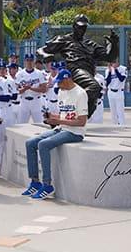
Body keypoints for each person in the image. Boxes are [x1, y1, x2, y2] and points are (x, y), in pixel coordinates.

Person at [21, 69, 88, 200]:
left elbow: (82, 122)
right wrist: (51, 116)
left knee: (43, 144)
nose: (58, 85)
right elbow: (63, 115)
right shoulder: (62, 92)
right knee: (30, 143)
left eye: (60, 82)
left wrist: (58, 121)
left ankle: (47, 185)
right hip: (62, 128)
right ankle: (35, 182)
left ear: (67, 79)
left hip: (75, 132)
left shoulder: (81, 94)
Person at [37, 14, 119, 118]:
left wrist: (114, 45)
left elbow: (110, 57)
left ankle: (71, 117)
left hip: (88, 73)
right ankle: (74, 114)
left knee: (93, 101)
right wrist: (47, 56)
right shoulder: (64, 39)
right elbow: (41, 50)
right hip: (74, 70)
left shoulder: (90, 44)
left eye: (84, 27)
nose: (82, 30)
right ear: (74, 26)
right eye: (79, 27)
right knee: (94, 87)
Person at [16, 54, 47, 124]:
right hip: (24, 102)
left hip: (36, 101)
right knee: (21, 124)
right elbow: (16, 91)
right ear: (24, 61)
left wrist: (31, 88)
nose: (29, 62)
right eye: (27, 60)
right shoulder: (19, 74)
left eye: (31, 60)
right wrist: (25, 89)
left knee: (40, 124)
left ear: (34, 61)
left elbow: (44, 89)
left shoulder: (39, 73)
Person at [105, 59, 127, 125]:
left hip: (119, 92)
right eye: (113, 62)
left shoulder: (123, 69)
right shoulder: (108, 70)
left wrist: (116, 70)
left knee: (120, 111)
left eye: (115, 62)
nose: (114, 63)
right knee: (113, 112)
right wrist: (109, 72)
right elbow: (107, 82)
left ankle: (122, 126)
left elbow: (121, 79)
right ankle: (114, 125)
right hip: (111, 92)